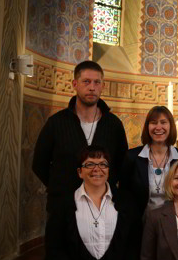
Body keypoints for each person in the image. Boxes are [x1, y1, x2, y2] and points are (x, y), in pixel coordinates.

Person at [33, 60, 128, 212]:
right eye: (86, 82)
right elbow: (39, 163)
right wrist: (60, 187)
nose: (92, 87)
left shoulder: (114, 124)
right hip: (64, 206)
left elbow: (122, 163)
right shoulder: (56, 122)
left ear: (103, 86)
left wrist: (105, 185)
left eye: (97, 82)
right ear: (75, 84)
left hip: (102, 206)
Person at [120, 106, 178, 217]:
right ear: (147, 127)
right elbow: (123, 193)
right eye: (153, 123)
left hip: (172, 222)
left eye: (163, 122)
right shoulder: (132, 157)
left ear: (171, 126)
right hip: (139, 222)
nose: (158, 127)